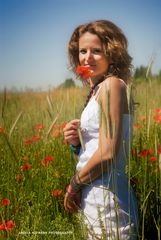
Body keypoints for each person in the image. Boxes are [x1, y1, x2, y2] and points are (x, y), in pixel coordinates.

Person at [63, 20, 139, 239]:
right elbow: (96, 149)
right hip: (94, 197)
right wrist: (77, 144)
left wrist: (74, 185)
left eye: (96, 51)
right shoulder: (98, 90)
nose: (87, 57)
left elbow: (108, 153)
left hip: (109, 200)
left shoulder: (112, 85)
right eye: (82, 51)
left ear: (111, 53)